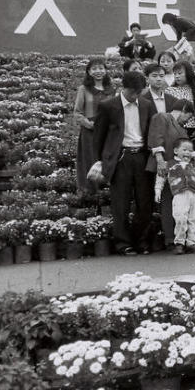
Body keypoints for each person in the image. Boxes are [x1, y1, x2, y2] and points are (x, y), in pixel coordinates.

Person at [91, 70, 156, 255]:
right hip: (121, 157)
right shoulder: (108, 106)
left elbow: (152, 130)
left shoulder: (146, 104)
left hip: (142, 156)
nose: (136, 95)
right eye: (133, 92)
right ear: (123, 87)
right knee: (121, 204)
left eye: (139, 92)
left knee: (145, 203)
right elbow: (98, 137)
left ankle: (140, 240)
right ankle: (122, 243)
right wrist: (99, 161)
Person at [148, 99, 195, 249]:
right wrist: (160, 160)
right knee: (167, 203)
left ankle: (178, 238)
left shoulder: (181, 128)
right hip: (164, 167)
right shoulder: (162, 117)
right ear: (184, 110)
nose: (186, 120)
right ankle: (169, 238)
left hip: (177, 170)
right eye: (187, 116)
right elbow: (156, 139)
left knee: (177, 204)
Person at [73, 59, 111, 194]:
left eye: (101, 68)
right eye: (94, 69)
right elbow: (77, 113)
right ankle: (89, 193)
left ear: (106, 70)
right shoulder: (83, 89)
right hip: (90, 132)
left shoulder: (111, 90)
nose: (98, 71)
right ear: (89, 72)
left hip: (107, 132)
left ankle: (106, 192)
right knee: (90, 160)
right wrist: (88, 124)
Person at [166, 138, 195, 254]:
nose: (187, 153)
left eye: (190, 150)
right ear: (176, 151)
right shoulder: (170, 164)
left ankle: (191, 242)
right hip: (180, 194)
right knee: (180, 217)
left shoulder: (194, 165)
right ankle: (179, 242)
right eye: (184, 150)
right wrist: (157, 190)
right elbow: (161, 177)